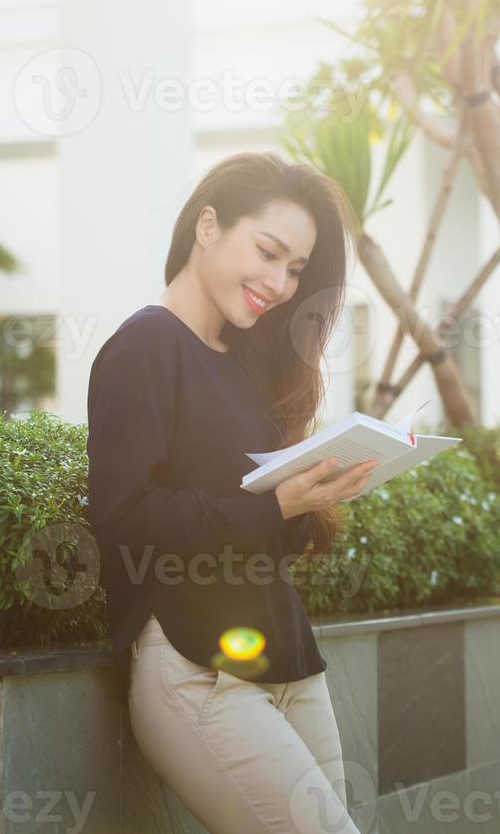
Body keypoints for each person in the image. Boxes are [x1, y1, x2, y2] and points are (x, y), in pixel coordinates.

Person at [86, 151, 377, 834]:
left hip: (292, 663)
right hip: (195, 669)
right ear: (208, 226)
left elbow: (257, 526)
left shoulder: (248, 367)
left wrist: (313, 497)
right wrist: (275, 504)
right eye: (269, 253)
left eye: (297, 270)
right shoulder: (144, 347)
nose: (279, 284)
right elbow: (122, 520)